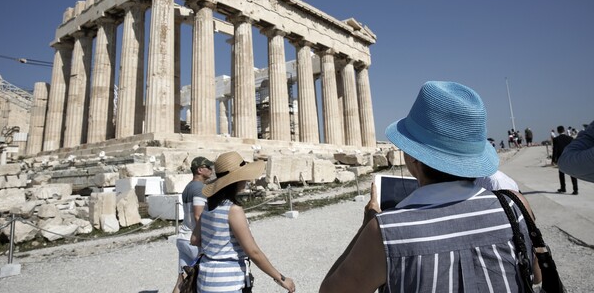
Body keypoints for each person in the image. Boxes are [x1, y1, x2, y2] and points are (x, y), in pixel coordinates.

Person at [319, 81, 541, 293]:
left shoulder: (386, 232)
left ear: (414, 157)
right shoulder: (515, 206)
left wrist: (365, 227)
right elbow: (536, 277)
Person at [190, 151, 296, 293]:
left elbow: (194, 239)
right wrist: (281, 278)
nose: (247, 179)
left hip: (205, 279)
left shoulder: (209, 206)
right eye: (244, 176)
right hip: (228, 283)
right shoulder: (233, 210)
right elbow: (253, 252)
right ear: (235, 180)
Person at [173, 156, 214, 293]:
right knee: (206, 279)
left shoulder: (188, 187)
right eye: (208, 167)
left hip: (183, 237)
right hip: (194, 240)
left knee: (182, 280)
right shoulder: (199, 188)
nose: (211, 170)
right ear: (200, 170)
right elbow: (198, 216)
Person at [552, 125, 578, 194]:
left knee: (561, 174)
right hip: (570, 158)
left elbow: (555, 150)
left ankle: (563, 188)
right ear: (564, 130)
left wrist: (553, 160)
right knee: (572, 174)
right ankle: (575, 190)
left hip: (561, 158)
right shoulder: (570, 138)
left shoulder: (556, 139)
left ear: (558, 131)